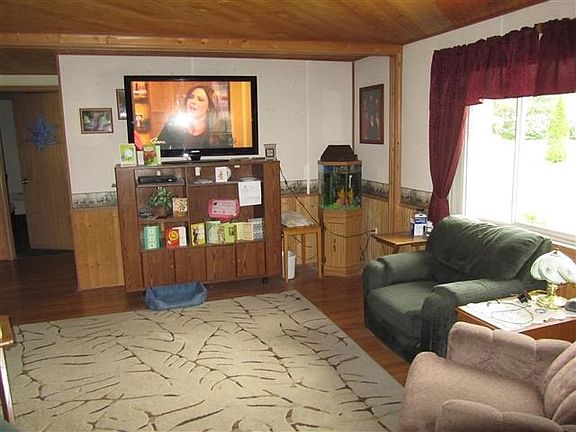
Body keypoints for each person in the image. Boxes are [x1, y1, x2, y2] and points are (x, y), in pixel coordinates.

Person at [157, 84, 232, 149]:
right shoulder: (174, 123)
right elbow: (157, 150)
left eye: (200, 99)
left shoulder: (221, 128)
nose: (193, 102)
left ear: (209, 107)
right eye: (191, 97)